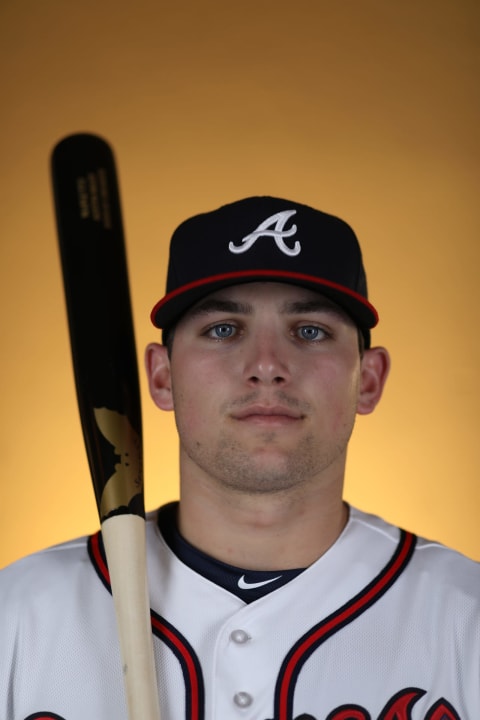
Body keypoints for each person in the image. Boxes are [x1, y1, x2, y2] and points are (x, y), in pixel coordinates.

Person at [1, 196, 478, 720]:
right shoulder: (19, 616)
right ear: (162, 376)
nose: (267, 366)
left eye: (310, 331)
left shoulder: (466, 618)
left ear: (368, 380)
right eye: (223, 329)